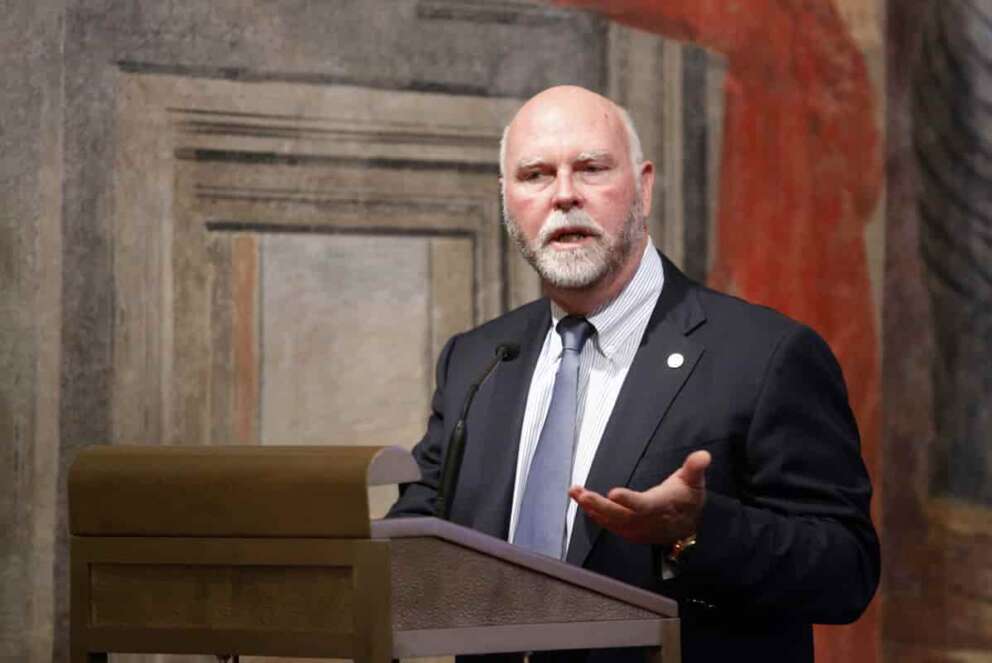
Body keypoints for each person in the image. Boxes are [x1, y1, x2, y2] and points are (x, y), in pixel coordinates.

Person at [388, 85, 879, 663]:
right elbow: (417, 534)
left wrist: (696, 531)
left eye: (592, 169)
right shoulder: (477, 361)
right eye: (536, 176)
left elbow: (846, 572)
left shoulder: (765, 355)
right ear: (506, 199)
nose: (564, 196)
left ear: (643, 186)